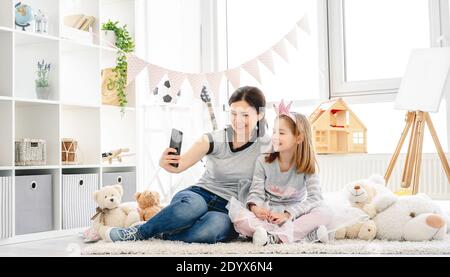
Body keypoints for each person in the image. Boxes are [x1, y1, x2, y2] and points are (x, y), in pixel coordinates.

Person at [105, 86, 270, 243]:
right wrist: (166, 162)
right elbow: (180, 165)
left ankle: (163, 232)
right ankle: (138, 233)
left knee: (211, 230)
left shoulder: (267, 146)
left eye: (245, 115)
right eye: (233, 113)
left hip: (229, 209)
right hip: (200, 195)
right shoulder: (213, 139)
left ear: (260, 114)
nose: (238, 120)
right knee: (193, 206)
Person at [229, 100, 333, 246]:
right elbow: (256, 192)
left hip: (295, 214)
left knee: (326, 213)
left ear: (299, 138)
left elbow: (315, 198)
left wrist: (288, 214)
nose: (275, 136)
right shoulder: (263, 161)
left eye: (281, 133)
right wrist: (255, 208)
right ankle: (303, 235)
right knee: (240, 219)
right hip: (269, 213)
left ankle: (274, 237)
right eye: (274, 131)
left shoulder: (308, 166)